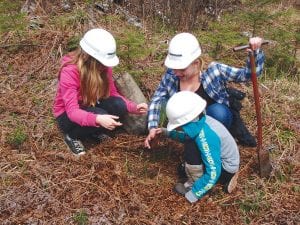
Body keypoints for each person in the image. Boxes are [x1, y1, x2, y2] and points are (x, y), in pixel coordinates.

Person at [144, 32, 265, 148]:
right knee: (166, 106)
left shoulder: (214, 71)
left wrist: (255, 54)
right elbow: (157, 100)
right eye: (174, 68)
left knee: (219, 112)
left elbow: (247, 75)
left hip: (213, 120)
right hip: (188, 124)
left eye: (182, 69)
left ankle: (217, 141)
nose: (176, 72)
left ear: (196, 63)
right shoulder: (171, 76)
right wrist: (153, 128)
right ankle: (189, 141)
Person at [53, 28, 148, 155]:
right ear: (88, 57)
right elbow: (72, 112)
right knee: (100, 114)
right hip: (66, 115)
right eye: (101, 63)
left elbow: (113, 94)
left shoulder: (104, 68)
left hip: (89, 104)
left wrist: (134, 107)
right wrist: (98, 119)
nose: (105, 66)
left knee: (118, 105)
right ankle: (72, 136)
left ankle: (94, 132)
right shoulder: (70, 71)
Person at [153, 91, 240, 203]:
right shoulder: (199, 122)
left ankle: (196, 183)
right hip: (219, 159)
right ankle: (197, 175)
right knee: (184, 165)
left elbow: (214, 171)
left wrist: (194, 194)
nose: (177, 127)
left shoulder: (205, 136)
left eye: (177, 125)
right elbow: (186, 136)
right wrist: (167, 133)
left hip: (225, 168)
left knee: (191, 148)